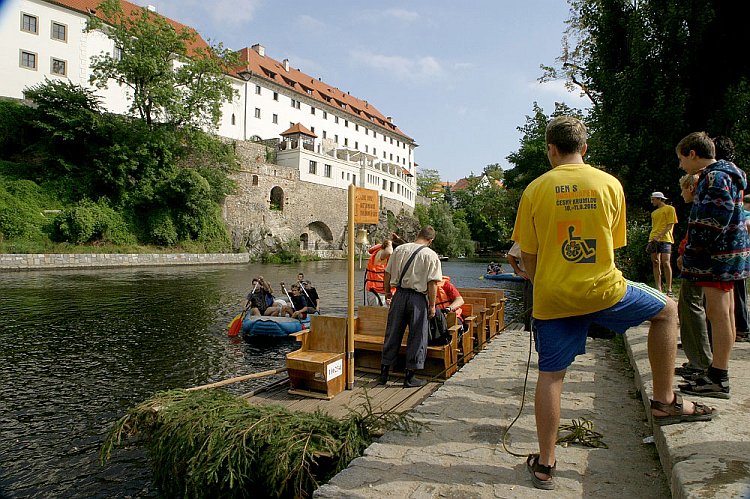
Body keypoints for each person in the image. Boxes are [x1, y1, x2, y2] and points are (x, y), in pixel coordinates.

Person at [512, 116, 714, 491]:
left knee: (551, 376)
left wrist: (544, 284)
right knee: (667, 310)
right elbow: (612, 245)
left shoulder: (535, 190)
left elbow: (529, 255)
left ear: (551, 149)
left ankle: (545, 464)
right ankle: (665, 399)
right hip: (604, 291)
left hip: (553, 296)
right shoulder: (609, 184)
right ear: (584, 149)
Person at [677, 131, 750, 399]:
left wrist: (693, 250)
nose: (681, 165)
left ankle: (719, 376)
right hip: (729, 255)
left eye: (682, 159)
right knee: (725, 314)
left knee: (717, 314)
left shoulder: (715, 177)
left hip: (716, 258)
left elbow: (712, 221)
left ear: (693, 154)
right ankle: (716, 372)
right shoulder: (729, 175)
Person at [377, 226, 443, 388]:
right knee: (417, 336)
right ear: (431, 240)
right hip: (418, 299)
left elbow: (387, 273)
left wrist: (387, 292)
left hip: (399, 295)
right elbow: (432, 283)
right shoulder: (431, 255)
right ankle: (410, 376)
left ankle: (384, 373)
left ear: (418, 234)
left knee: (392, 333)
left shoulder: (399, 250)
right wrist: (432, 305)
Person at [675, 174, 712, 379]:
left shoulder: (701, 205)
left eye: (682, 189)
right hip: (699, 260)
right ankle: (697, 360)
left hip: (696, 262)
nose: (681, 194)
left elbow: (695, 234)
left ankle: (700, 362)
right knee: (691, 306)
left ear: (690, 187)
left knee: (691, 305)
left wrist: (683, 252)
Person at [714, 136, 750, 342]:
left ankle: (741, 329)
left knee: (726, 303)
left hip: (725, 248)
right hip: (738, 245)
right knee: (736, 293)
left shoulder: (719, 176)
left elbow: (719, 216)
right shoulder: (737, 175)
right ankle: (742, 328)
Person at [648, 191, 677, 295]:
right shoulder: (654, 213)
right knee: (655, 263)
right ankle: (658, 288)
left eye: (653, 199)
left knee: (666, 262)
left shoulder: (670, 209)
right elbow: (654, 227)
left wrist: (659, 236)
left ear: (659, 199)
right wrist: (653, 238)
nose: (652, 202)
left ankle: (669, 289)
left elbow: (670, 225)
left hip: (665, 239)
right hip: (653, 239)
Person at [507, 241, 533, 331]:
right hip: (531, 280)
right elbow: (510, 256)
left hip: (548, 280)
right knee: (529, 311)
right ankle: (529, 331)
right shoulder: (524, 238)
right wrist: (518, 271)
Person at [365, 238, 395, 306]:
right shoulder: (380, 253)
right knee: (378, 314)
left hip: (381, 292)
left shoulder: (382, 255)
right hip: (377, 292)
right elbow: (389, 252)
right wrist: (390, 243)